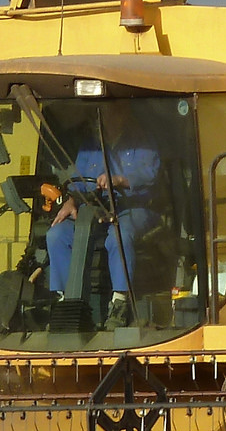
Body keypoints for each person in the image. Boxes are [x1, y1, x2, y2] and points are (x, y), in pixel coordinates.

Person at [45, 107, 161, 323]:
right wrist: (71, 201)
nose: (101, 119)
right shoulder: (90, 146)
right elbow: (77, 181)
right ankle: (65, 301)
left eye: (107, 113)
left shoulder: (142, 141)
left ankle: (119, 301)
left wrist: (119, 179)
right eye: (99, 115)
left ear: (124, 115)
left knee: (120, 236)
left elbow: (151, 174)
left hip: (133, 207)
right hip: (94, 207)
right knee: (56, 234)